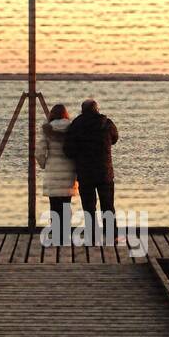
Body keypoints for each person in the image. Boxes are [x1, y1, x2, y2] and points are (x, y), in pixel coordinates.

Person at [64, 98, 119, 242]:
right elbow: (115, 138)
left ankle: (92, 236)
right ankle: (112, 236)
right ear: (97, 109)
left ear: (82, 110)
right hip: (104, 173)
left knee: (89, 207)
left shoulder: (76, 125)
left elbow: (68, 150)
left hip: (85, 173)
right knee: (108, 205)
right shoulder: (106, 123)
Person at [37, 104, 77, 243]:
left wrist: (44, 164)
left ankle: (56, 235)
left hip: (53, 171)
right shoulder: (72, 128)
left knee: (54, 206)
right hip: (69, 170)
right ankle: (65, 235)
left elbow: (39, 151)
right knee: (66, 205)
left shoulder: (47, 129)